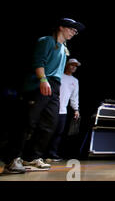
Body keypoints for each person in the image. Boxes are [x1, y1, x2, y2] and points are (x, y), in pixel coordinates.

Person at [3, 18, 84, 173]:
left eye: (76, 30)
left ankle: (32, 157)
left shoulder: (64, 48)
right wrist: (43, 79)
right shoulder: (46, 41)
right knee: (28, 122)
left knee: (49, 123)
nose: (74, 32)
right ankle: (12, 160)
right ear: (61, 27)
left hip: (54, 86)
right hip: (40, 83)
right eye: (72, 29)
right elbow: (38, 62)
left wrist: (56, 89)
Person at [46, 58, 81, 162]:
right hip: (51, 108)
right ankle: (40, 154)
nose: (74, 67)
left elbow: (74, 97)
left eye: (75, 65)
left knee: (58, 133)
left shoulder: (75, 81)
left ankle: (52, 154)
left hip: (63, 111)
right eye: (72, 65)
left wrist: (76, 109)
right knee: (47, 131)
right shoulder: (59, 76)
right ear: (67, 65)